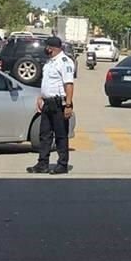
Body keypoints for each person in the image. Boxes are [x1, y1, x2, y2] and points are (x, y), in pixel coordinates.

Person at [27, 36, 76, 175]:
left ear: (53, 48)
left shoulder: (64, 62)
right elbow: (47, 82)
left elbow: (69, 85)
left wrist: (68, 105)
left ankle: (62, 164)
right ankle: (42, 163)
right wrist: (41, 96)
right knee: (45, 135)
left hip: (59, 103)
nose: (45, 49)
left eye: (47, 46)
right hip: (47, 103)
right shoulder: (50, 62)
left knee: (60, 135)